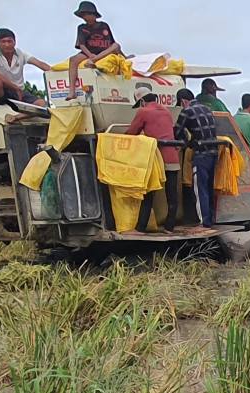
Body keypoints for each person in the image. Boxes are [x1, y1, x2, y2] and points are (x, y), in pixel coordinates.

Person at [126, 87, 180, 233]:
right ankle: (170, 226)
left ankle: (141, 227)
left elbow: (132, 132)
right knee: (172, 194)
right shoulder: (167, 111)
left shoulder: (143, 111)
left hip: (156, 157)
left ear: (142, 101)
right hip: (172, 156)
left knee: (148, 193)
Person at [0, 29, 51, 124]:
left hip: (18, 92)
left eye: (9, 41)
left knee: (42, 104)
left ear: (14, 42)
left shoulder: (21, 54)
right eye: (3, 42)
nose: (7, 45)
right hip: (1, 91)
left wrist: (56, 72)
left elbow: (40, 63)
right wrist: (15, 87)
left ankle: (16, 117)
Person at [175, 88, 219, 228]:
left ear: (183, 101)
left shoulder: (187, 111)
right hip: (214, 152)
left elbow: (177, 131)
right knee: (209, 187)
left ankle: (204, 223)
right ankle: (211, 219)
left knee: (200, 190)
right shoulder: (207, 109)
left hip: (201, 154)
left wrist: (185, 142)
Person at [67, 1, 121, 102]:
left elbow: (113, 43)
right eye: (83, 16)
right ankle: (72, 91)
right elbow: (81, 45)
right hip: (89, 51)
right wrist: (89, 55)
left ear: (93, 15)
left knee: (116, 46)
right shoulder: (82, 28)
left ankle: (95, 60)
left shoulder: (104, 26)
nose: (84, 17)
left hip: (104, 52)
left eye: (86, 15)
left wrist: (123, 56)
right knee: (73, 60)